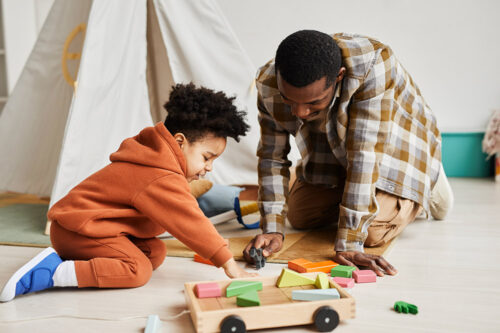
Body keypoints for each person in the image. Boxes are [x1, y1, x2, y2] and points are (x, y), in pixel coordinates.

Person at [0, 83, 255, 302]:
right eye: (206, 158)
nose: (208, 168)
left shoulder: (155, 159)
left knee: (155, 252)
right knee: (137, 270)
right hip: (77, 231)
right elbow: (190, 221)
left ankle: (78, 261)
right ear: (179, 142)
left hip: (97, 228)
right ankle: (52, 272)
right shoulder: (160, 174)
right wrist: (228, 263)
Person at [243, 30, 454, 276]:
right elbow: (271, 156)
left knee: (372, 232)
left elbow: (365, 154)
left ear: (339, 78)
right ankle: (359, 196)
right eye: (289, 100)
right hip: (336, 151)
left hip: (397, 146)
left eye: (313, 102)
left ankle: (431, 177)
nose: (299, 113)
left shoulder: (375, 64)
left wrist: (350, 241)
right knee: (299, 216)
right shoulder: (267, 82)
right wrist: (271, 227)